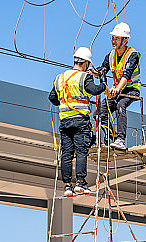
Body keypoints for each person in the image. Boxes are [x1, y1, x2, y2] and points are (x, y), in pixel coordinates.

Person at [48, 46, 106, 197]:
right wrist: (103, 83)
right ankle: (80, 183)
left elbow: (52, 97)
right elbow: (95, 90)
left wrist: (64, 102)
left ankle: (68, 186)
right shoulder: (84, 77)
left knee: (67, 154)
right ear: (86, 63)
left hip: (65, 122)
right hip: (80, 121)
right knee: (81, 152)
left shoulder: (60, 77)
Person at [96, 22, 140, 150]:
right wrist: (94, 72)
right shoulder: (111, 56)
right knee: (101, 110)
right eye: (113, 38)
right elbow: (103, 70)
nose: (113, 41)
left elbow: (127, 75)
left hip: (131, 90)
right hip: (118, 91)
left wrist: (117, 89)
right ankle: (111, 137)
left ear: (125, 40)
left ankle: (121, 139)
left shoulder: (132, 55)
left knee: (120, 105)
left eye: (117, 38)